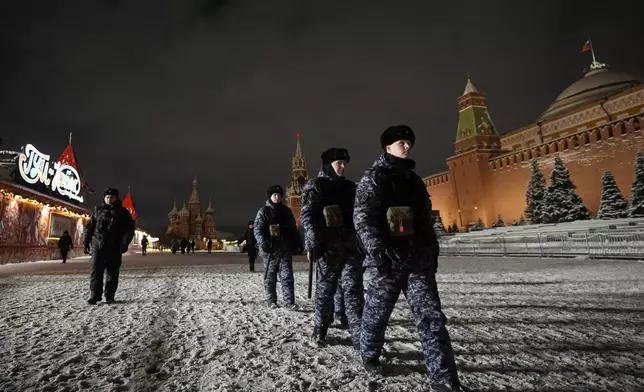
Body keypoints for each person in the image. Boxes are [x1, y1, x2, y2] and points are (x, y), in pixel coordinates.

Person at [354, 125, 462, 391]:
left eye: (409, 142)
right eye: (401, 142)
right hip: (388, 262)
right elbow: (363, 218)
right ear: (387, 147)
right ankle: (369, 353)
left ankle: (444, 379)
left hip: (417, 260)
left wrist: (432, 249)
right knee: (377, 314)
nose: (407, 146)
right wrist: (377, 251)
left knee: (431, 318)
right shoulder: (373, 179)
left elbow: (424, 220)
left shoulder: (414, 181)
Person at [301, 147, 364, 347]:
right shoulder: (316, 186)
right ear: (328, 165)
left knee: (353, 291)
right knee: (326, 290)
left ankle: (358, 333)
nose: (343, 167)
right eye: (339, 164)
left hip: (351, 249)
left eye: (345, 163)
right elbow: (308, 216)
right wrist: (315, 243)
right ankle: (320, 327)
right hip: (328, 249)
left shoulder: (350, 187)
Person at [254, 184, 303, 309]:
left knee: (287, 276)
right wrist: (263, 243)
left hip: (284, 249)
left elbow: (293, 229)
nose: (277, 197)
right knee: (270, 277)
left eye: (279, 195)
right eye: (274, 195)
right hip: (270, 250)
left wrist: (298, 243)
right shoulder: (264, 211)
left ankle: (289, 302)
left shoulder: (286, 211)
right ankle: (271, 300)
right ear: (270, 196)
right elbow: (258, 229)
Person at [83, 188, 135, 305]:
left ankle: (110, 296)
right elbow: (89, 227)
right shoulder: (98, 210)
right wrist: (86, 242)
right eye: (107, 197)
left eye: (111, 197)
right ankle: (95, 295)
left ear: (116, 198)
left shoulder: (123, 212)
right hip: (98, 245)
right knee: (96, 271)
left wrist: (124, 244)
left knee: (112, 272)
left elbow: (130, 230)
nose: (109, 199)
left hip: (115, 247)